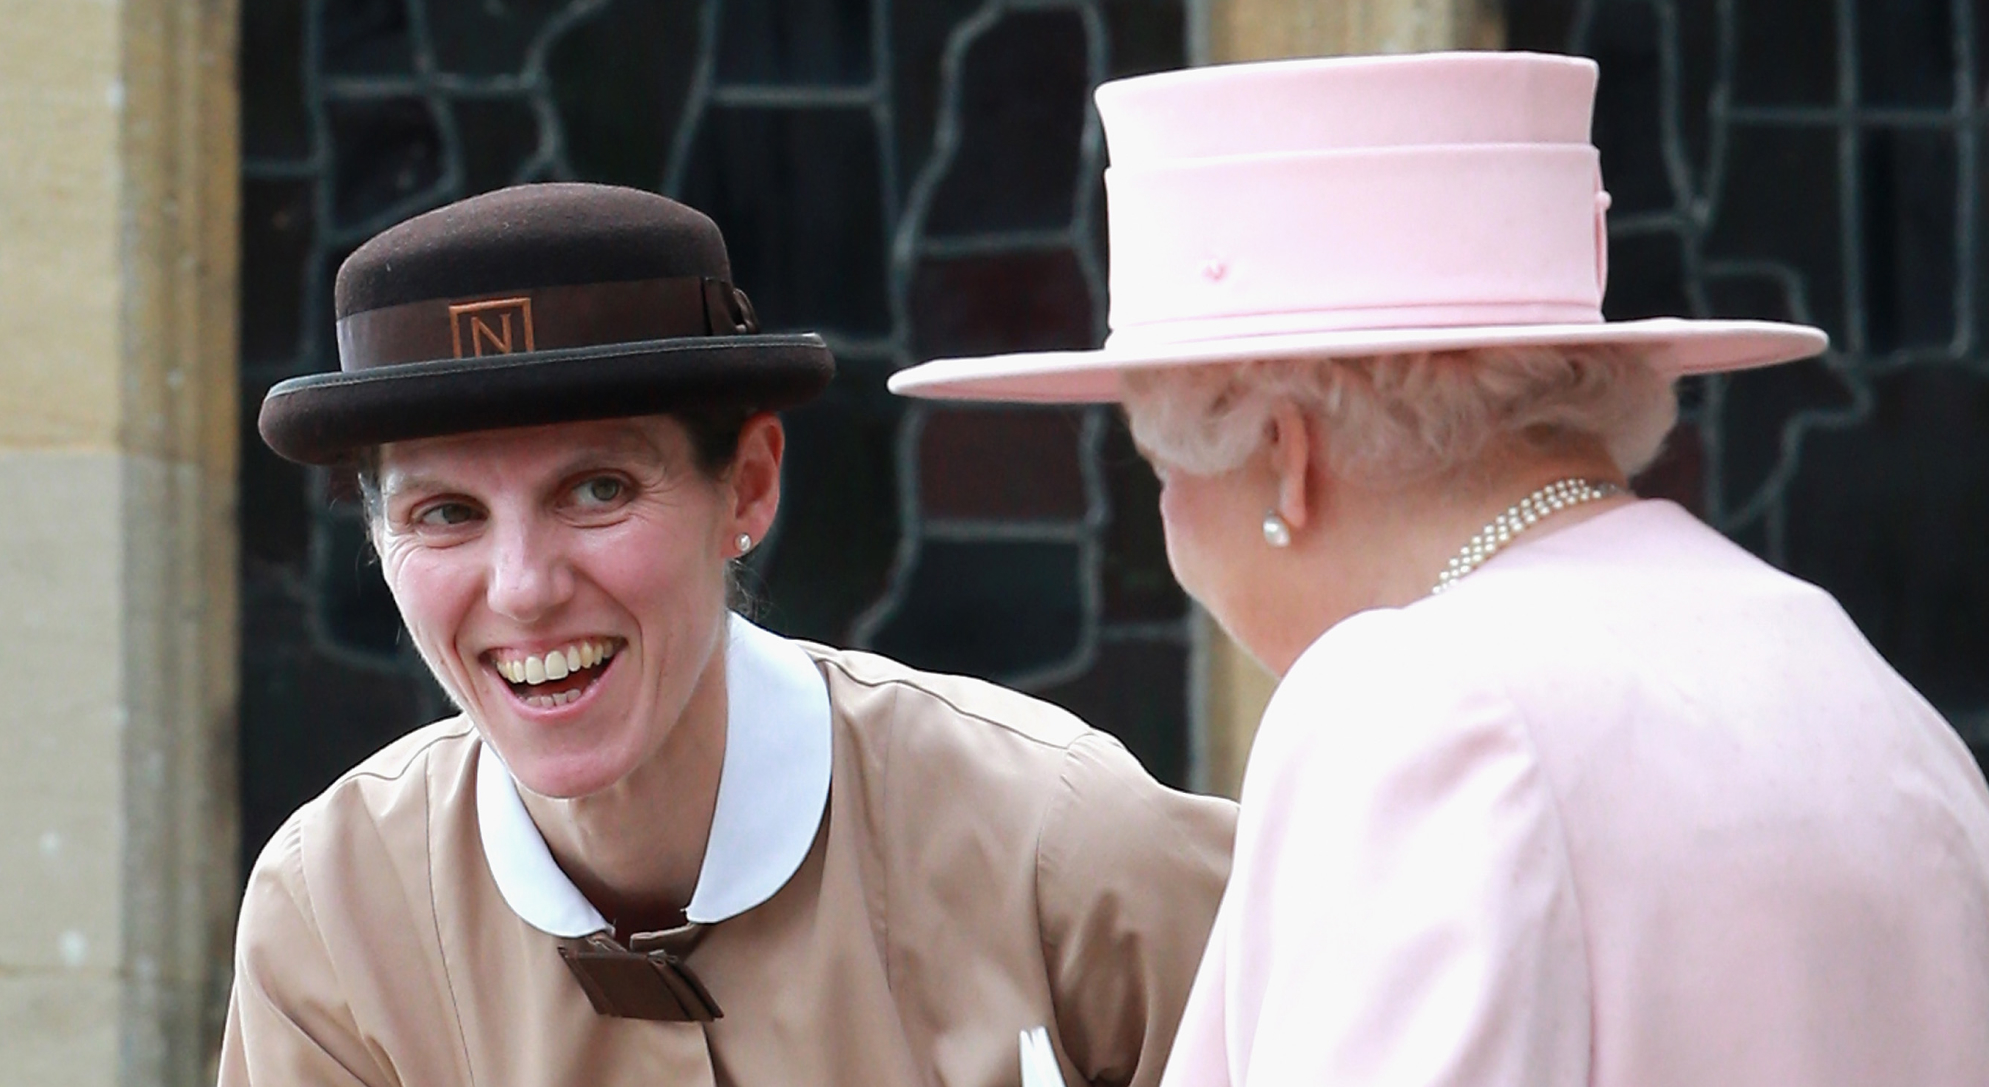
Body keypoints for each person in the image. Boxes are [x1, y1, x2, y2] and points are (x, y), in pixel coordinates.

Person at [890, 52, 1989, 1086]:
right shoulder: (1830, 658)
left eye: (1158, 466)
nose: (1167, 525)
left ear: (1284, 456)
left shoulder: (1418, 706)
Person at [224, 182, 1236, 1086]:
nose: (524, 589)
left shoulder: (1070, 853)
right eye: (444, 513)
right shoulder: (331, 916)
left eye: (597, 489)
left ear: (747, 484)